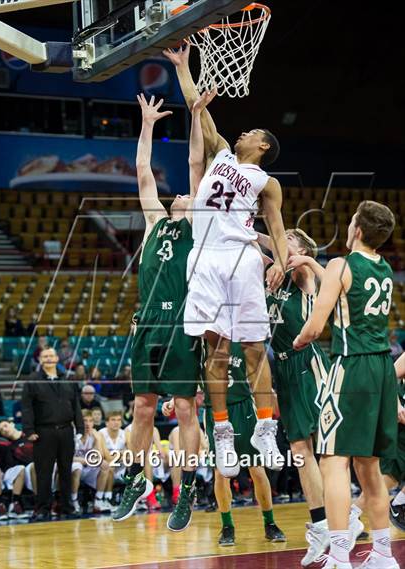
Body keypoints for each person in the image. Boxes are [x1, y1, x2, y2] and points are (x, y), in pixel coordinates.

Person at [164, 44, 288, 477]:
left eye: (253, 131)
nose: (244, 132)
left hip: (241, 260)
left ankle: (265, 428)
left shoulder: (266, 181)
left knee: (255, 350)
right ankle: (223, 435)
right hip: (204, 259)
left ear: (263, 145)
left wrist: (281, 262)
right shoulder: (219, 153)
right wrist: (182, 66)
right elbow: (196, 105)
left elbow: (275, 227)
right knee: (214, 353)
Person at [112, 91, 215, 532]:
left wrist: (195, 115)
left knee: (186, 408)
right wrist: (148, 123)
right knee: (141, 407)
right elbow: (141, 171)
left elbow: (195, 167)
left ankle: (187, 486)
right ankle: (137, 479)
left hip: (180, 324)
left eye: (188, 196)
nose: (179, 196)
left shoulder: (197, 224)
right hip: (147, 323)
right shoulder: (156, 222)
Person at [293, 201, 399, 569]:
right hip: (382, 367)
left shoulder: (341, 265)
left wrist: (299, 341)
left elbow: (316, 324)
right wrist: (310, 264)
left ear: (356, 229)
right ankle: (384, 554)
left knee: (334, 460)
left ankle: (339, 555)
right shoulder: (382, 268)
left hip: (351, 367)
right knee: (369, 465)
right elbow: (344, 285)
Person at [263, 228, 363, 564]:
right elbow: (256, 246)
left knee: (326, 445)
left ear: (303, 248)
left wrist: (299, 254)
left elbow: (291, 255)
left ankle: (347, 514)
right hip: (283, 369)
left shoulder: (302, 273)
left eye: (290, 238)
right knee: (299, 449)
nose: (282, 240)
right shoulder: (272, 271)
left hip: (309, 364)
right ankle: (321, 524)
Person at [164, 344, 286, 546]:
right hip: (214, 414)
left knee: (256, 469)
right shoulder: (198, 343)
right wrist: (174, 399)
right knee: (221, 473)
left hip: (244, 407)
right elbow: (191, 380)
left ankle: (270, 523)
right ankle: (227, 526)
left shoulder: (242, 337)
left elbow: (258, 373)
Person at [21, 345, 84, 521]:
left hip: (66, 431)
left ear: (57, 359)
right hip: (43, 432)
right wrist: (29, 431)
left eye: (51, 356)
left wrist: (79, 428)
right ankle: (43, 508)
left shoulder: (67, 380)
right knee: (44, 472)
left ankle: (66, 506)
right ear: (40, 360)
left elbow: (76, 406)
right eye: (45, 357)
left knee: (66, 470)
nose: (49, 359)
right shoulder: (32, 380)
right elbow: (27, 408)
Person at [351, 351, 405, 532]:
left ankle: (353, 515)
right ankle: (397, 506)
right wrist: (396, 404)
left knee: (390, 476)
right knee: (389, 476)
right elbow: (389, 376)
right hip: (400, 421)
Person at [71, 410, 111, 515]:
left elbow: (99, 457)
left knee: (105, 465)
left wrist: (98, 440)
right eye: (84, 421)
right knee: (77, 466)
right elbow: (66, 458)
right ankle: (73, 501)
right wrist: (85, 460)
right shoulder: (72, 434)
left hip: (87, 468)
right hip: (72, 468)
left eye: (90, 421)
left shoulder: (96, 435)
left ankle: (98, 500)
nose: (87, 424)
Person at [0, 419, 36, 518]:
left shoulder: (30, 435)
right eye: (1, 430)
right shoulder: (7, 446)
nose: (4, 430)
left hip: (42, 466)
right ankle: (38, 503)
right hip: (28, 472)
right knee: (28, 467)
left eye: (5, 426)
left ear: (12, 424)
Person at [99, 411, 127, 509]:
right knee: (109, 466)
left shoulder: (125, 433)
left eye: (119, 420)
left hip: (122, 468)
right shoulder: (101, 434)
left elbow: (131, 454)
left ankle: (139, 499)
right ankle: (107, 499)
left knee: (139, 462)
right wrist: (121, 454)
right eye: (113, 420)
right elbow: (106, 456)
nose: (116, 422)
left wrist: (117, 456)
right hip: (103, 467)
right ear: (107, 422)